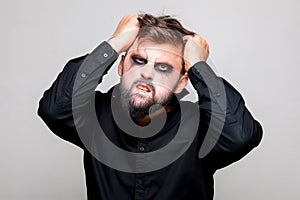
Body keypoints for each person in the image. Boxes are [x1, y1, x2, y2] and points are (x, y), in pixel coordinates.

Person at [38, 14, 263, 200]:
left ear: (181, 83)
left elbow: (240, 136)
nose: (146, 73)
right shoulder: (96, 115)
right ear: (121, 67)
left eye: (164, 68)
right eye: (138, 60)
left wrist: (198, 65)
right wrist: (114, 43)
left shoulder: (201, 126)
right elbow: (54, 109)